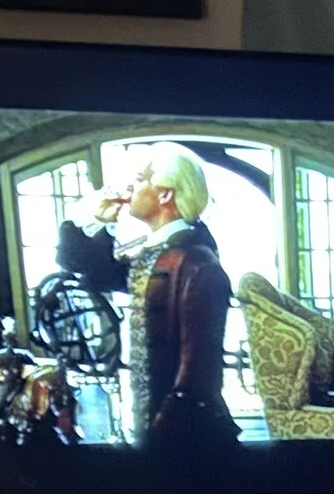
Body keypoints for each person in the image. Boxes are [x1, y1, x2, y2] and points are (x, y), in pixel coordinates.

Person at [55, 144, 239, 450]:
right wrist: (99, 219)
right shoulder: (157, 253)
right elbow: (85, 266)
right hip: (154, 427)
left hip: (187, 439)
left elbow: (198, 370)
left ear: (165, 194)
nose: (129, 189)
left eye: (140, 180)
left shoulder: (196, 262)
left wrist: (161, 431)